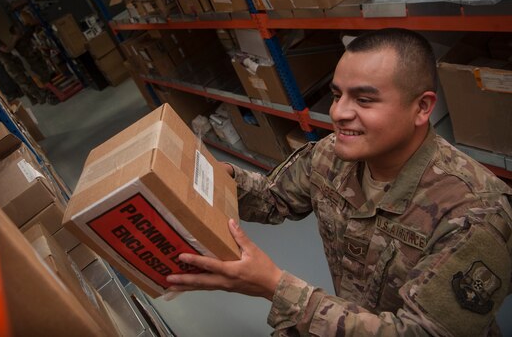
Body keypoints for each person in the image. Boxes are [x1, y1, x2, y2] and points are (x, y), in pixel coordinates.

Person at [166, 28, 512, 336]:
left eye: (363, 99)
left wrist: (275, 286)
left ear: (422, 107)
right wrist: (224, 181)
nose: (338, 113)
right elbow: (273, 199)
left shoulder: (477, 214)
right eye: (336, 95)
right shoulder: (330, 155)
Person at [0, 23, 46, 104]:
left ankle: (32, 99)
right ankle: (39, 97)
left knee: (22, 81)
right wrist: (14, 39)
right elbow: (7, 50)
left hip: (12, 63)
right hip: (10, 65)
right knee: (24, 81)